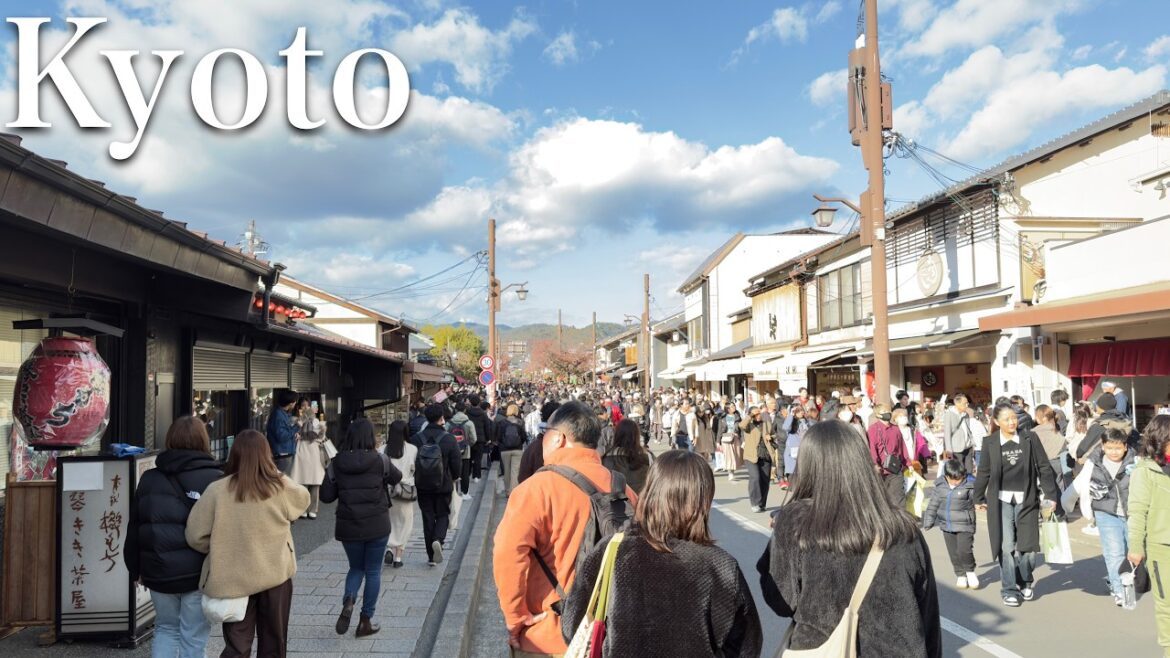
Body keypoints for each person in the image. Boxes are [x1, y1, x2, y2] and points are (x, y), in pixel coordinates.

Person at [757, 420, 941, 657]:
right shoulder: (902, 528)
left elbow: (781, 600)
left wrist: (777, 543)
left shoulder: (796, 522)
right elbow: (928, 615)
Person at [561, 450, 761, 656]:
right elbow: (747, 647)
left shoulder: (612, 550)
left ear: (650, 491)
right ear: (704, 500)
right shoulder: (719, 566)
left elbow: (572, 625)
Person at [492, 401, 638, 657]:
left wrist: (515, 618)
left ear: (558, 438)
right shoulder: (623, 490)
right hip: (608, 635)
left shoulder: (536, 489)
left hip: (550, 633)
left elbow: (507, 554)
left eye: (545, 433)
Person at [185, 429, 310, 658]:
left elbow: (195, 536)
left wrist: (220, 547)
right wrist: (275, 473)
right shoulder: (279, 487)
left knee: (237, 647)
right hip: (275, 575)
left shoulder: (217, 490)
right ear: (266, 455)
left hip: (232, 578)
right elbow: (303, 499)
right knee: (274, 643)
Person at [127, 417, 223, 658]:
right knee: (193, 636)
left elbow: (135, 526)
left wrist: (135, 569)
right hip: (198, 573)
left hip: (158, 571)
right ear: (203, 440)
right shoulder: (216, 479)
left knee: (166, 628)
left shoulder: (150, 478)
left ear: (170, 439)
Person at [972, 402, 1063, 607]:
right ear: (997, 422)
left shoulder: (1030, 438)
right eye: (1006, 419)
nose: (1012, 422)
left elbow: (1044, 467)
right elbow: (984, 472)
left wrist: (1051, 496)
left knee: (1028, 547)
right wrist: (978, 498)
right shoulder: (990, 442)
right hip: (1001, 501)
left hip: (1027, 499)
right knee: (1006, 546)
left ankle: (1025, 581)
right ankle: (1009, 589)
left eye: (1014, 418)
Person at [320, 418, 402, 637]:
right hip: (377, 524)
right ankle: (365, 621)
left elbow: (326, 496)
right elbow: (397, 477)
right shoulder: (380, 460)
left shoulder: (337, 462)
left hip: (349, 525)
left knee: (356, 568)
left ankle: (349, 600)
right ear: (371, 437)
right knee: (373, 571)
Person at [1070, 427, 1137, 606]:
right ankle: (1119, 590)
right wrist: (1063, 503)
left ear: (1125, 446)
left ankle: (1121, 579)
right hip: (1105, 513)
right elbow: (1079, 483)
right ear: (1103, 446)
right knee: (1114, 552)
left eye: (1118, 448)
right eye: (1109, 448)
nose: (1113, 452)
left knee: (1132, 552)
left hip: (1131, 514)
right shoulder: (1094, 462)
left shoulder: (1136, 461)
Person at [1127, 415, 1170, 655]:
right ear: (1159, 440)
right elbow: (1137, 511)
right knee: (1166, 604)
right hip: (1160, 547)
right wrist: (1135, 547)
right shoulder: (1145, 471)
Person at [411, 403, 462, 566]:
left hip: (422, 485)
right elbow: (456, 463)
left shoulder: (416, 439)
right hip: (443, 484)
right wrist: (455, 477)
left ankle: (431, 556)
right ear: (442, 418)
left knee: (427, 517)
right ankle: (438, 539)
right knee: (442, 514)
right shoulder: (449, 439)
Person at [922, 459, 979, 590]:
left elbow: (979, 498)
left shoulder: (970, 485)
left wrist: (981, 503)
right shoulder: (940, 487)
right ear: (946, 476)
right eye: (954, 479)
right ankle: (960, 575)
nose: (957, 482)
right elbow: (933, 505)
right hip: (947, 525)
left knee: (964, 550)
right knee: (953, 552)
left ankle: (970, 572)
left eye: (959, 478)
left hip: (965, 524)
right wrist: (928, 522)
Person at [384, 419, 417, 568]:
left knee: (388, 522)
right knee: (405, 524)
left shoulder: (383, 449)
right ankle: (398, 558)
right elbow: (413, 469)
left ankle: (389, 548)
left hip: (387, 492)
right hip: (405, 492)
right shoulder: (412, 449)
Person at [291, 400, 327, 519]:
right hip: (303, 451)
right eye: (303, 406)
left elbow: (320, 437)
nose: (306, 408)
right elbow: (294, 433)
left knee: (315, 481)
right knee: (303, 481)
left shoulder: (316, 421)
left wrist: (319, 432)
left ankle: (313, 509)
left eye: (308, 406)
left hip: (313, 451)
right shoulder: (297, 421)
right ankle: (303, 508)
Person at [868, 405, 909, 509]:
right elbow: (872, 448)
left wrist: (908, 463)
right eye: (884, 411)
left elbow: (902, 447)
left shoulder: (895, 429)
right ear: (878, 414)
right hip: (881, 470)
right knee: (883, 500)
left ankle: (901, 518)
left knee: (898, 498)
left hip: (895, 468)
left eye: (888, 410)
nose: (888, 413)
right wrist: (875, 464)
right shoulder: (873, 429)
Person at [1076, 392, 1135, 461]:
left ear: (1100, 407)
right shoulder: (1126, 422)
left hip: (1102, 463)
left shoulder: (1099, 425)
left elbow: (1081, 450)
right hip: (1125, 461)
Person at [741, 404, 778, 513]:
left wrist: (770, 437)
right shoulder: (749, 425)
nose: (758, 415)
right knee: (755, 477)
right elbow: (741, 425)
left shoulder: (766, 424)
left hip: (765, 455)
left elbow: (775, 434)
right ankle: (755, 503)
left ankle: (762, 503)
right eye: (755, 414)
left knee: (765, 480)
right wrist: (750, 416)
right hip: (751, 456)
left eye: (759, 413)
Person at [602, 419, 653, 494]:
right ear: (636, 435)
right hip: (641, 497)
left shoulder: (606, 457)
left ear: (617, 435)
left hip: (616, 499)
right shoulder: (647, 456)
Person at [1032, 405, 1069, 490]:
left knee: (1047, 490)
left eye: (1036, 416)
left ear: (1043, 418)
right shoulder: (1056, 430)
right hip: (1058, 463)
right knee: (1060, 487)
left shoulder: (1034, 432)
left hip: (1043, 465)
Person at [265, 388, 300, 475]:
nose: (295, 403)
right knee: (283, 480)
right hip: (282, 455)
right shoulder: (278, 415)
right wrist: (297, 426)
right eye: (295, 401)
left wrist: (294, 433)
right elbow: (282, 436)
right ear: (291, 403)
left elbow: (286, 432)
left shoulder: (282, 413)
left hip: (284, 453)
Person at [449, 400, 477, 500]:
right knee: (465, 472)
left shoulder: (449, 423)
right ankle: (465, 493)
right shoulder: (469, 423)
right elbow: (474, 439)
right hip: (465, 451)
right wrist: (467, 445)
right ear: (465, 410)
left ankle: (454, 493)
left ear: (455, 410)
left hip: (452, 451)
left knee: (452, 471)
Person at [499, 403, 529, 496]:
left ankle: (507, 491)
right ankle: (513, 492)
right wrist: (520, 443)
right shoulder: (520, 422)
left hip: (504, 450)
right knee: (515, 471)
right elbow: (524, 436)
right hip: (517, 449)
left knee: (506, 471)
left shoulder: (502, 422)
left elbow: (498, 436)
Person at [943, 393, 976, 474]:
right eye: (965, 403)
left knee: (969, 471)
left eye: (967, 403)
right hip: (957, 449)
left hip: (968, 447)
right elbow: (947, 433)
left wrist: (972, 443)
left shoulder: (966, 414)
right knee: (959, 472)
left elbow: (968, 429)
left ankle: (969, 482)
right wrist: (949, 450)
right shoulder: (949, 414)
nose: (967, 405)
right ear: (957, 403)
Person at [781, 405, 812, 490]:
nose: (801, 412)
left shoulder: (806, 422)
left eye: (802, 410)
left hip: (805, 449)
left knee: (804, 473)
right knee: (794, 474)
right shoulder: (791, 421)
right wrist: (790, 415)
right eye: (798, 411)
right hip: (793, 452)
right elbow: (785, 427)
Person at [466, 395, 491, 482]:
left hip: (469, 438)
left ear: (470, 402)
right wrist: (488, 438)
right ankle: (476, 476)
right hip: (480, 439)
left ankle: (467, 474)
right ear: (479, 403)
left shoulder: (467, 413)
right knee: (478, 458)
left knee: (469, 457)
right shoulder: (483, 414)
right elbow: (487, 427)